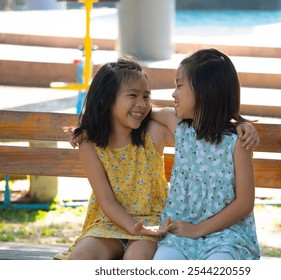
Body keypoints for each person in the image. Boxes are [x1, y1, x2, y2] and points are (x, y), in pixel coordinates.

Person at [54, 55, 258, 260]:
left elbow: (200, 132)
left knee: (138, 260)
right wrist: (92, 127)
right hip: (108, 222)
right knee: (81, 257)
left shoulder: (156, 131)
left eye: (146, 97)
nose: (142, 104)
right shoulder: (90, 143)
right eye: (133, 95)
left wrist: (238, 124)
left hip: (156, 222)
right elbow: (106, 200)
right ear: (105, 99)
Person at [152, 49, 261, 260]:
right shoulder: (180, 127)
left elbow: (244, 203)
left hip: (226, 236)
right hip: (179, 232)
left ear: (204, 90)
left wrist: (198, 229)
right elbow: (145, 110)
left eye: (179, 85)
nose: (173, 94)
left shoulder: (237, 143)